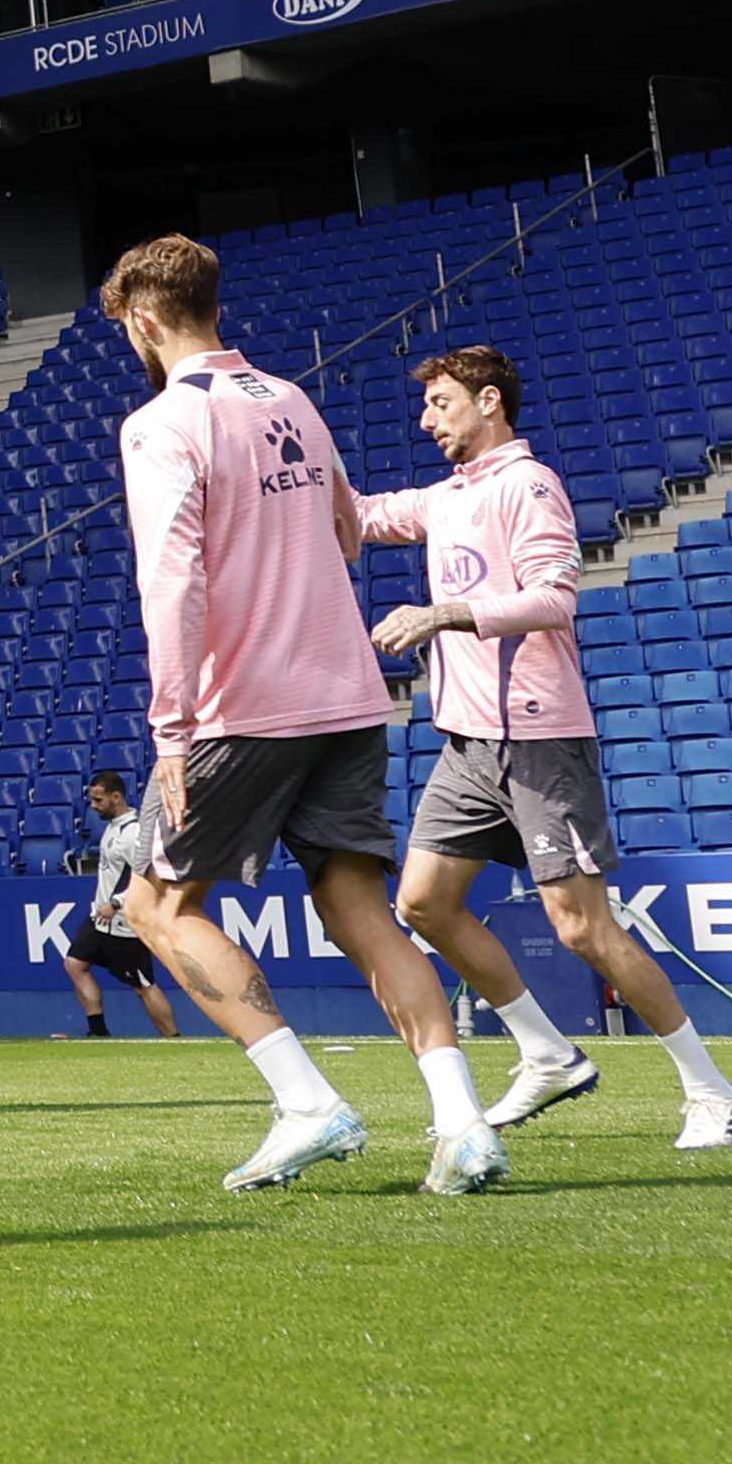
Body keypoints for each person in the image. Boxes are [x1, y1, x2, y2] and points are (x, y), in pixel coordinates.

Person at [93, 233, 506, 1197]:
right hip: (347, 695)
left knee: (156, 906)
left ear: (143, 320)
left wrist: (170, 729)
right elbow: (348, 532)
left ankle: (307, 1102)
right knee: (358, 906)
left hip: (242, 707)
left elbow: (172, 581)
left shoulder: (158, 423)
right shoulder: (290, 398)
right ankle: (463, 1125)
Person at [362, 344, 732, 1150]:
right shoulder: (445, 496)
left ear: (489, 401)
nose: (426, 419)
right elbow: (361, 514)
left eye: (440, 402)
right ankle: (546, 1052)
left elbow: (552, 597)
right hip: (468, 743)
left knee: (581, 928)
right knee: (422, 902)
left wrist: (441, 614)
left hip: (539, 736)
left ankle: (712, 1090)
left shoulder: (529, 484)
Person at [61, 773, 185, 1037]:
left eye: (98, 800)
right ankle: (98, 1032)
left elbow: (152, 878)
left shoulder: (134, 834)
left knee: (143, 985)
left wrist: (116, 902)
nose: (93, 806)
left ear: (116, 797)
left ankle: (174, 1039)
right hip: (100, 921)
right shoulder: (113, 827)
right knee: (75, 964)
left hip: (125, 925)